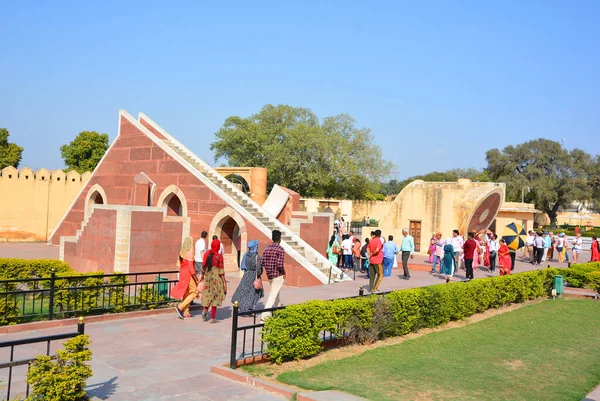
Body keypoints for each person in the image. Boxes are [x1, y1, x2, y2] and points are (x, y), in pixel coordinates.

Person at [231, 240, 264, 313]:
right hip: (253, 276)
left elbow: (243, 265)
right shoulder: (257, 257)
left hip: (246, 274)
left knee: (243, 290)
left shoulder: (246, 254)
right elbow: (259, 269)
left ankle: (239, 303)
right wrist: (259, 274)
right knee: (253, 292)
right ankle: (249, 308)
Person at [261, 230, 286, 321]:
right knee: (272, 295)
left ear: (272, 238)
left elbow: (262, 262)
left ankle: (278, 311)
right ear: (279, 239)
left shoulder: (266, 249)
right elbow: (280, 264)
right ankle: (265, 315)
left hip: (270, 275)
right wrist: (284, 273)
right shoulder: (280, 249)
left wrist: (269, 268)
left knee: (276, 293)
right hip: (277, 275)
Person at [200, 238, 227, 323]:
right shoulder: (219, 256)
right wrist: (224, 282)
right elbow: (221, 271)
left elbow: (203, 267)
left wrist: (202, 276)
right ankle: (212, 318)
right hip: (216, 279)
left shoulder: (207, 254)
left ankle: (205, 310)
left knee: (208, 295)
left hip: (208, 278)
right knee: (215, 297)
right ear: (218, 246)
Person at [172, 236, 199, 319]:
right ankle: (180, 307)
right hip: (188, 275)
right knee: (195, 292)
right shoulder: (189, 253)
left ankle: (186, 312)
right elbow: (191, 268)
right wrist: (196, 279)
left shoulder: (181, 253)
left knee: (186, 292)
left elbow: (179, 265)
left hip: (182, 274)